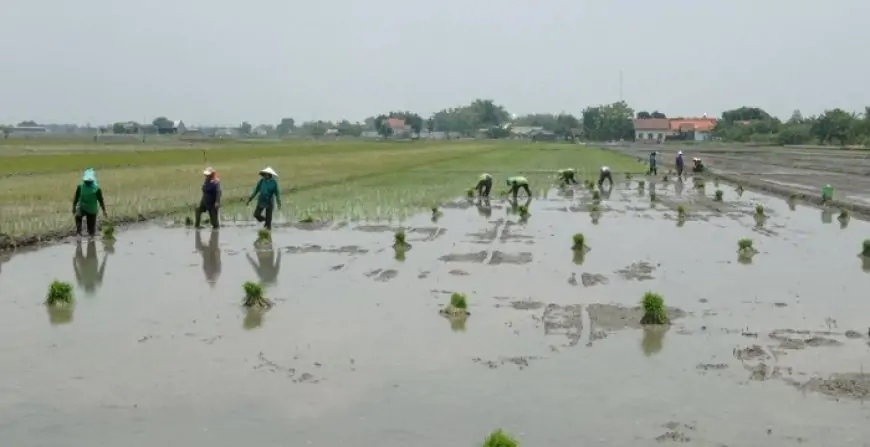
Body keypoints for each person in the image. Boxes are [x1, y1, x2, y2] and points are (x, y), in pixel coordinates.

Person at [72, 168, 107, 238]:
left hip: (92, 209)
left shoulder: (96, 189)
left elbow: (100, 200)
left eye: (89, 181)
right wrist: (74, 207)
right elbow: (76, 197)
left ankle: (91, 238)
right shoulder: (80, 187)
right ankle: (79, 233)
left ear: (92, 180)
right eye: (86, 181)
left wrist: (104, 210)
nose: (87, 182)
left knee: (91, 229)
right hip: (82, 207)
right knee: (78, 216)